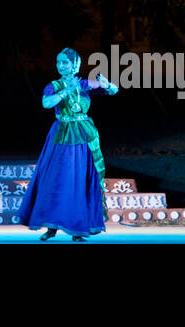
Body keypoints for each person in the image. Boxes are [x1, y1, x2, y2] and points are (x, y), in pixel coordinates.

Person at [18, 47, 119, 241]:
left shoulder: (83, 84)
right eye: (59, 62)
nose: (61, 66)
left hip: (83, 135)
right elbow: (46, 104)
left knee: (80, 179)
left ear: (76, 64)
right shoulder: (54, 85)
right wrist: (66, 90)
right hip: (62, 135)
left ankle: (79, 227)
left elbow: (113, 90)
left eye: (65, 62)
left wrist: (108, 84)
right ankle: (51, 225)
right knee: (57, 179)